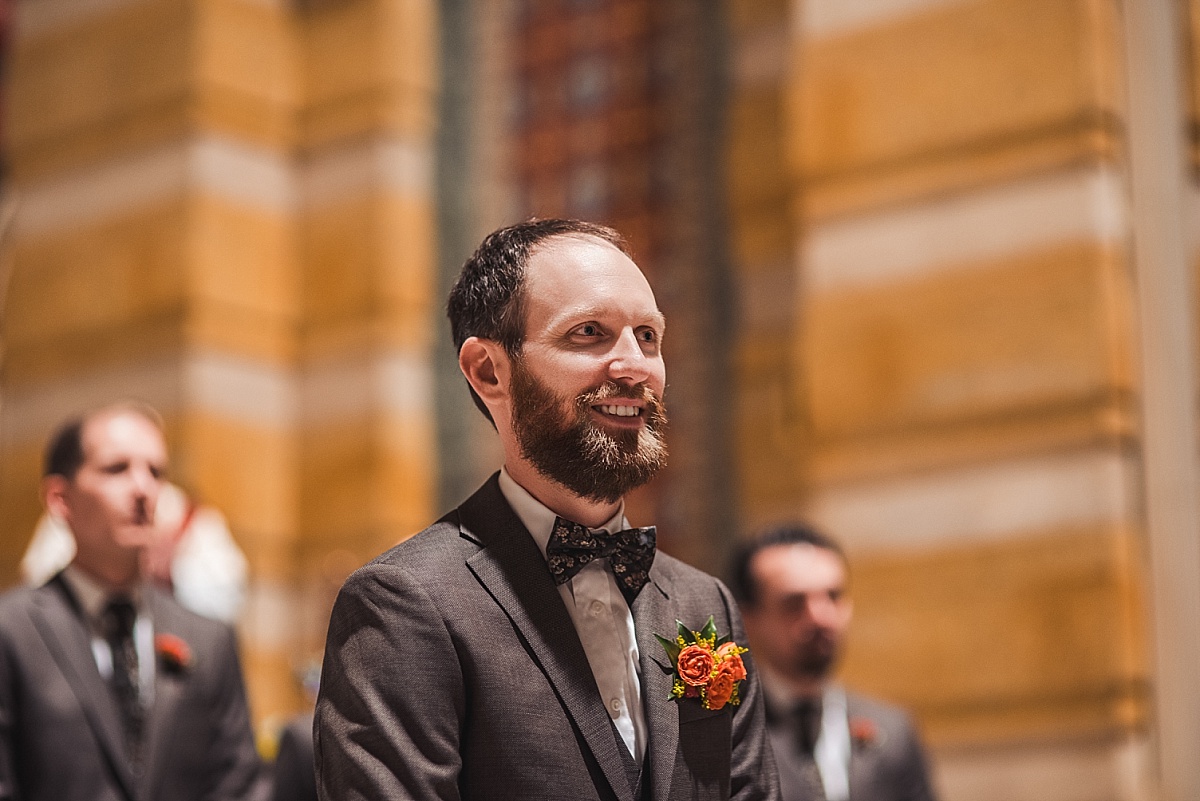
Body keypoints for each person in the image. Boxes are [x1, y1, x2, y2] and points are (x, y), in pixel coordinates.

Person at [315, 219, 779, 801]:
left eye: (648, 336)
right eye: (589, 332)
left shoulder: (704, 604)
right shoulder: (404, 605)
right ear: (489, 371)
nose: (635, 366)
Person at [0, 402, 267, 801]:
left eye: (156, 472)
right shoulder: (11, 632)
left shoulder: (209, 639)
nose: (144, 489)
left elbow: (240, 784)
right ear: (60, 499)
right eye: (116, 469)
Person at [730, 524, 938, 801]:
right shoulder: (731, 732)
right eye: (794, 602)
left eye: (833, 596)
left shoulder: (892, 729)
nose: (820, 617)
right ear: (748, 618)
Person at [19, 482, 249, 624]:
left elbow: (221, 611)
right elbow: (38, 585)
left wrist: (171, 570)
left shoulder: (195, 523)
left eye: (152, 469)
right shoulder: (80, 511)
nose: (139, 484)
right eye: (118, 467)